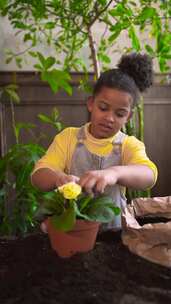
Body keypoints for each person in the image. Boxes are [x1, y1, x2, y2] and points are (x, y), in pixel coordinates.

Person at [31, 52, 158, 229]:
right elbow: (38, 175)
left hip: (114, 235)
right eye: (103, 108)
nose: (110, 118)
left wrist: (113, 173)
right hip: (73, 230)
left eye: (119, 113)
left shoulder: (129, 145)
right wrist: (58, 178)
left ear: (128, 117)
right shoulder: (69, 138)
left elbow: (149, 175)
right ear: (91, 103)